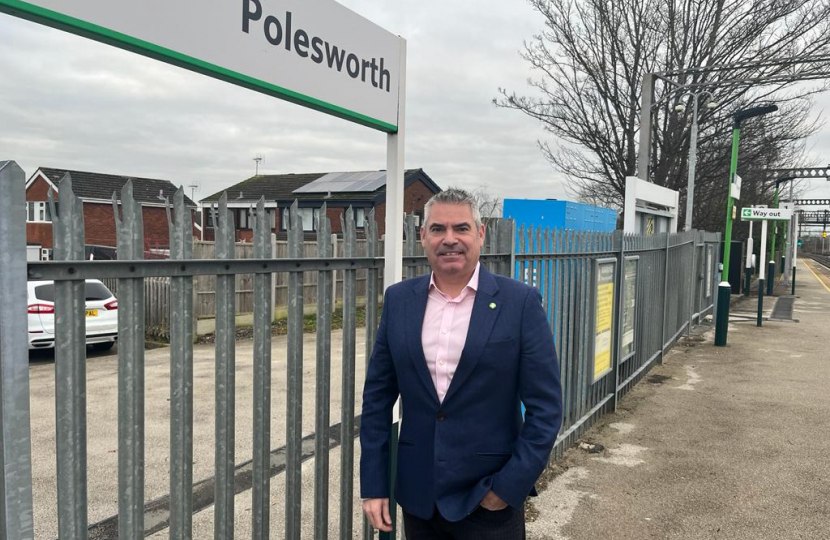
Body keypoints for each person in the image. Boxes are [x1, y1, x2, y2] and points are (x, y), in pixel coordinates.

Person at [360, 188, 562, 539]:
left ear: (480, 234)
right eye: (438, 229)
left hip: (488, 500)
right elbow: (377, 399)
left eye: (461, 228)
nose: (449, 239)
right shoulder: (399, 301)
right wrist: (374, 485)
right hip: (420, 498)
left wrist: (505, 490)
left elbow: (546, 408)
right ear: (423, 236)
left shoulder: (520, 303)